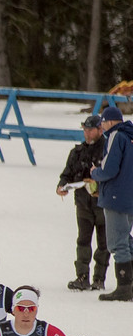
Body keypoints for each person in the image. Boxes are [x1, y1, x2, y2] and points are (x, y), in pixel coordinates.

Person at [57, 115, 109, 290]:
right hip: (82, 203)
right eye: (85, 130)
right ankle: (82, 276)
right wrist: (61, 186)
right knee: (83, 241)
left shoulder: (109, 151)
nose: (87, 133)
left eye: (90, 129)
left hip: (103, 204)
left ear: (100, 130)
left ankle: (99, 278)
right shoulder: (77, 152)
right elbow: (67, 174)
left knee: (104, 243)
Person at [89, 106, 133, 300]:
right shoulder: (130, 136)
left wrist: (94, 173)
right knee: (125, 238)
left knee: (117, 243)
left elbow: (109, 169)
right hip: (129, 196)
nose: (103, 127)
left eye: (103, 123)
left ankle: (124, 287)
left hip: (116, 196)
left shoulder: (116, 136)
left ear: (108, 121)